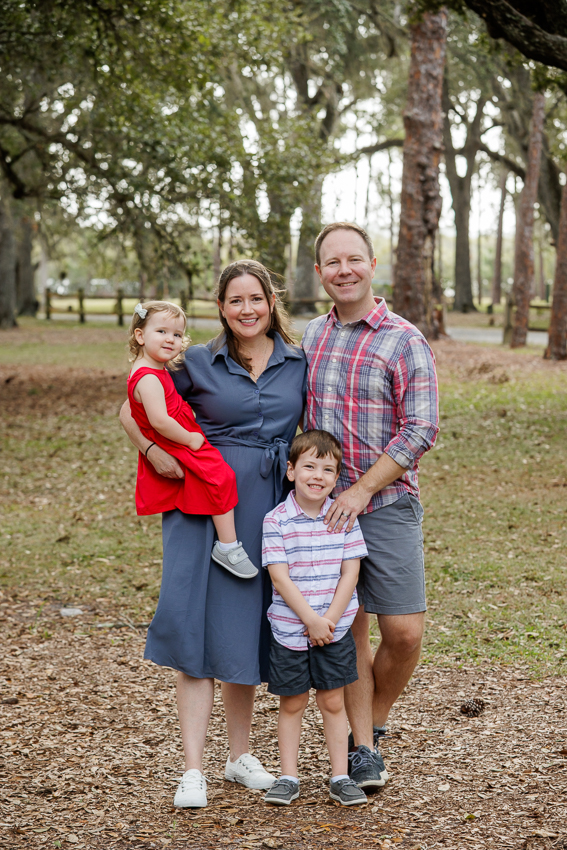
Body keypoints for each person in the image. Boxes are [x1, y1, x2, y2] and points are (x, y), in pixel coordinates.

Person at [119, 261, 306, 808]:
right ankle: (193, 767)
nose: (247, 309)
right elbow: (131, 408)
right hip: (203, 505)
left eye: (256, 298)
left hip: (269, 504)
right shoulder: (194, 360)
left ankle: (239, 756)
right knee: (197, 625)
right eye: (235, 301)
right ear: (221, 308)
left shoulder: (299, 362)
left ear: (271, 301)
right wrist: (156, 452)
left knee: (245, 625)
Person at [301, 222, 439, 791]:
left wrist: (362, 490)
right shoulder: (309, 337)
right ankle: (361, 748)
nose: (343, 270)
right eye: (332, 262)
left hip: (385, 505)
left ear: (372, 264)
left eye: (353, 259)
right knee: (352, 629)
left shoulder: (404, 340)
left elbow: (421, 429)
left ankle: (373, 721)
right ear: (319, 273)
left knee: (403, 632)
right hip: (326, 514)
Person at [262, 430, 368, 807]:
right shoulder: (276, 521)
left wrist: (330, 620)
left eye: (327, 469)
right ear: (290, 471)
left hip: (334, 630)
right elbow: (279, 576)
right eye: (308, 466)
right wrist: (310, 620)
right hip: (290, 630)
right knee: (292, 703)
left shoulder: (343, 519)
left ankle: (340, 776)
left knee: (333, 702)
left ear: (336, 478)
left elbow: (350, 573)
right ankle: (288, 776)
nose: (317, 475)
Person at [127, 299, 257, 579]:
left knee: (216, 477)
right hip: (177, 440)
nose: (170, 339)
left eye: (176, 334)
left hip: (181, 436)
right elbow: (159, 421)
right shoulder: (148, 378)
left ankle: (226, 542)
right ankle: (228, 546)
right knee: (221, 476)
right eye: (161, 332)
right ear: (140, 335)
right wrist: (190, 439)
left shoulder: (157, 370)